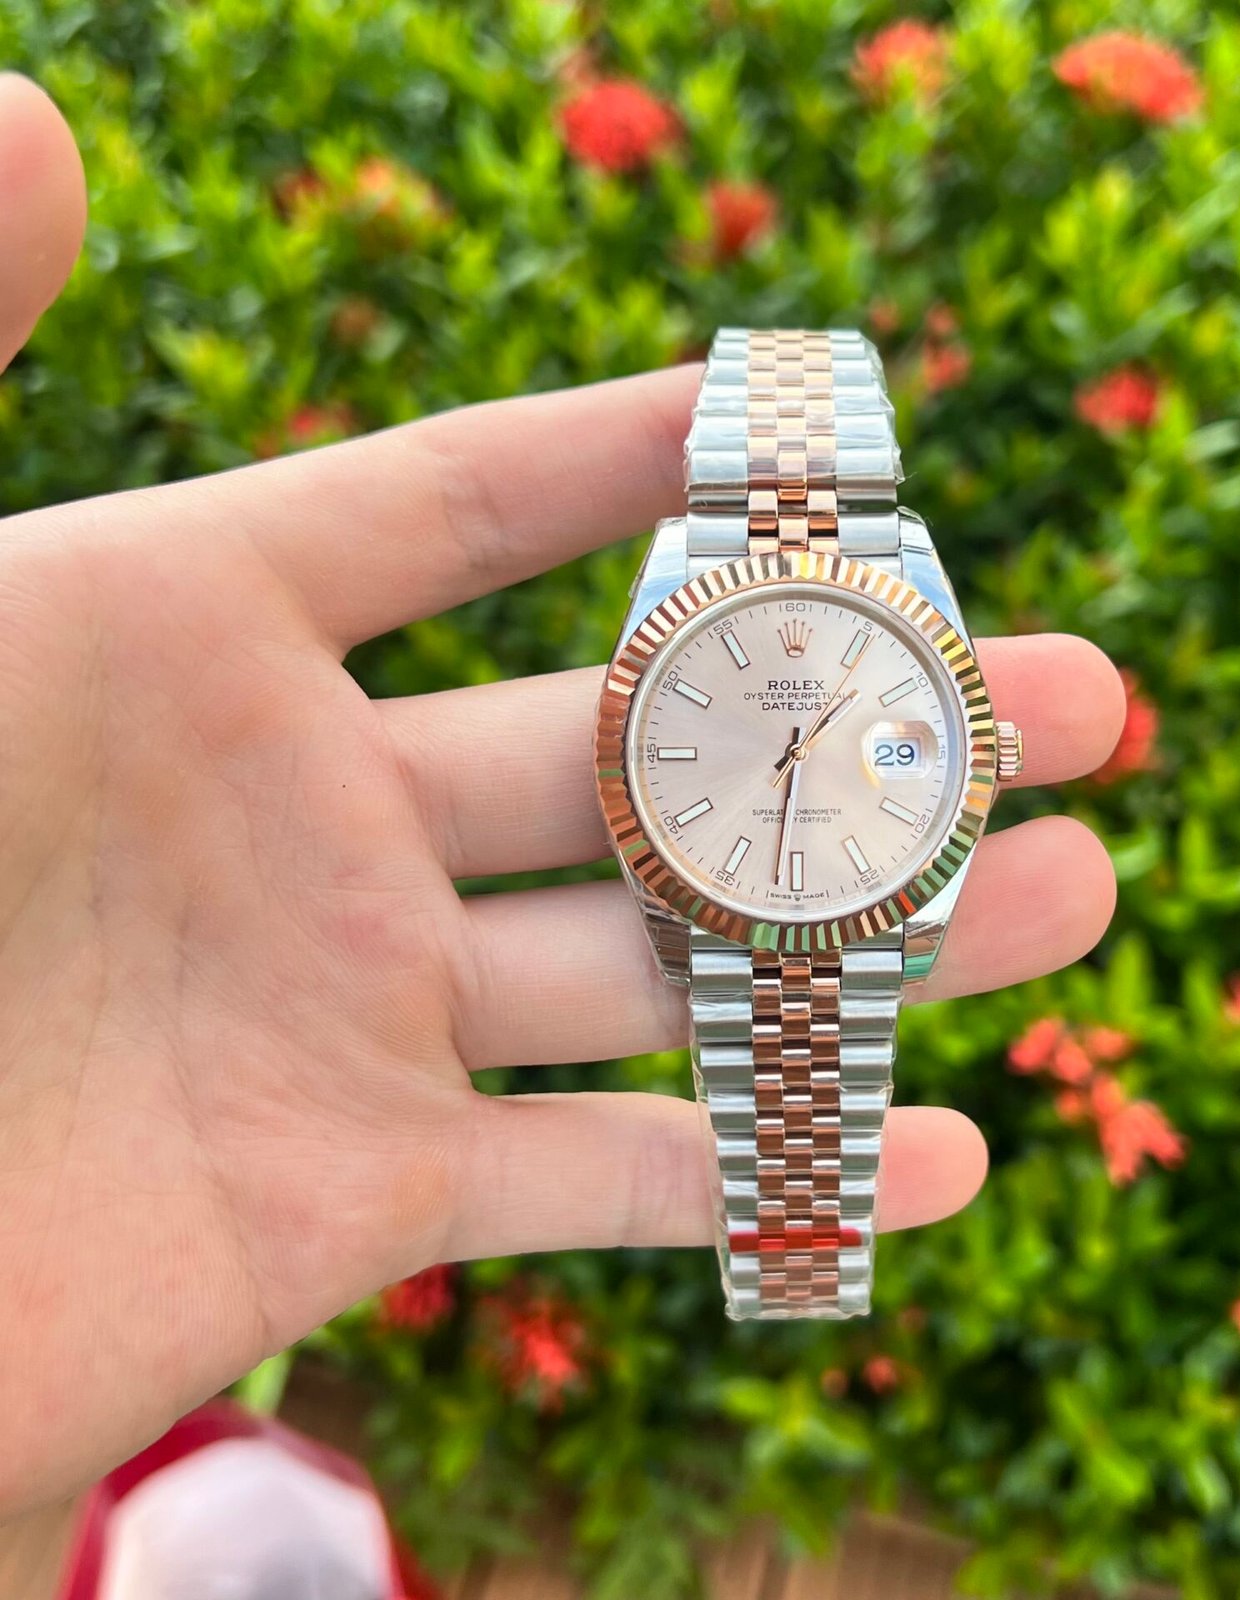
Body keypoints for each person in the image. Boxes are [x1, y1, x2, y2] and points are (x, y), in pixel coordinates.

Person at [0, 73, 1125, 1519]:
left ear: (979, 748)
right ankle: (794, 1246)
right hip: (768, 881)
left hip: (800, 882)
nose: (792, 749)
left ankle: (796, 1249)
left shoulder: (823, 658)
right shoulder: (737, 654)